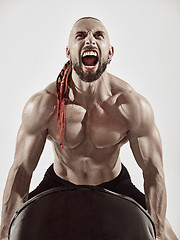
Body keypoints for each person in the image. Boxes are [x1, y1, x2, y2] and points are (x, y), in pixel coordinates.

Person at [0, 17, 178, 240]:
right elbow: (22, 171)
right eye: (81, 36)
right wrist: (4, 232)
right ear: (68, 51)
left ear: (110, 52)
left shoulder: (131, 106)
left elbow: (153, 171)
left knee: (168, 236)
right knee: (15, 231)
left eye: (98, 36)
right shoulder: (45, 105)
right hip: (59, 183)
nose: (90, 40)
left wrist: (159, 230)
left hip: (115, 185)